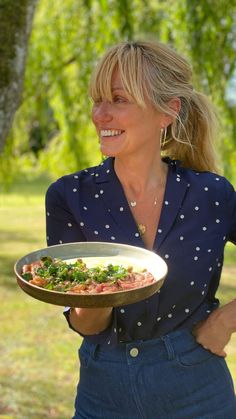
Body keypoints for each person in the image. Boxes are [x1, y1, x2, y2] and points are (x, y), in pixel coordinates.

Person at [45, 40, 236, 418]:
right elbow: (87, 324)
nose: (100, 115)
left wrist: (225, 320)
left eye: (118, 99)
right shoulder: (69, 195)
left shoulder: (212, 194)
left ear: (167, 112)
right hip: (103, 390)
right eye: (96, 99)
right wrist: (90, 296)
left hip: (198, 389)